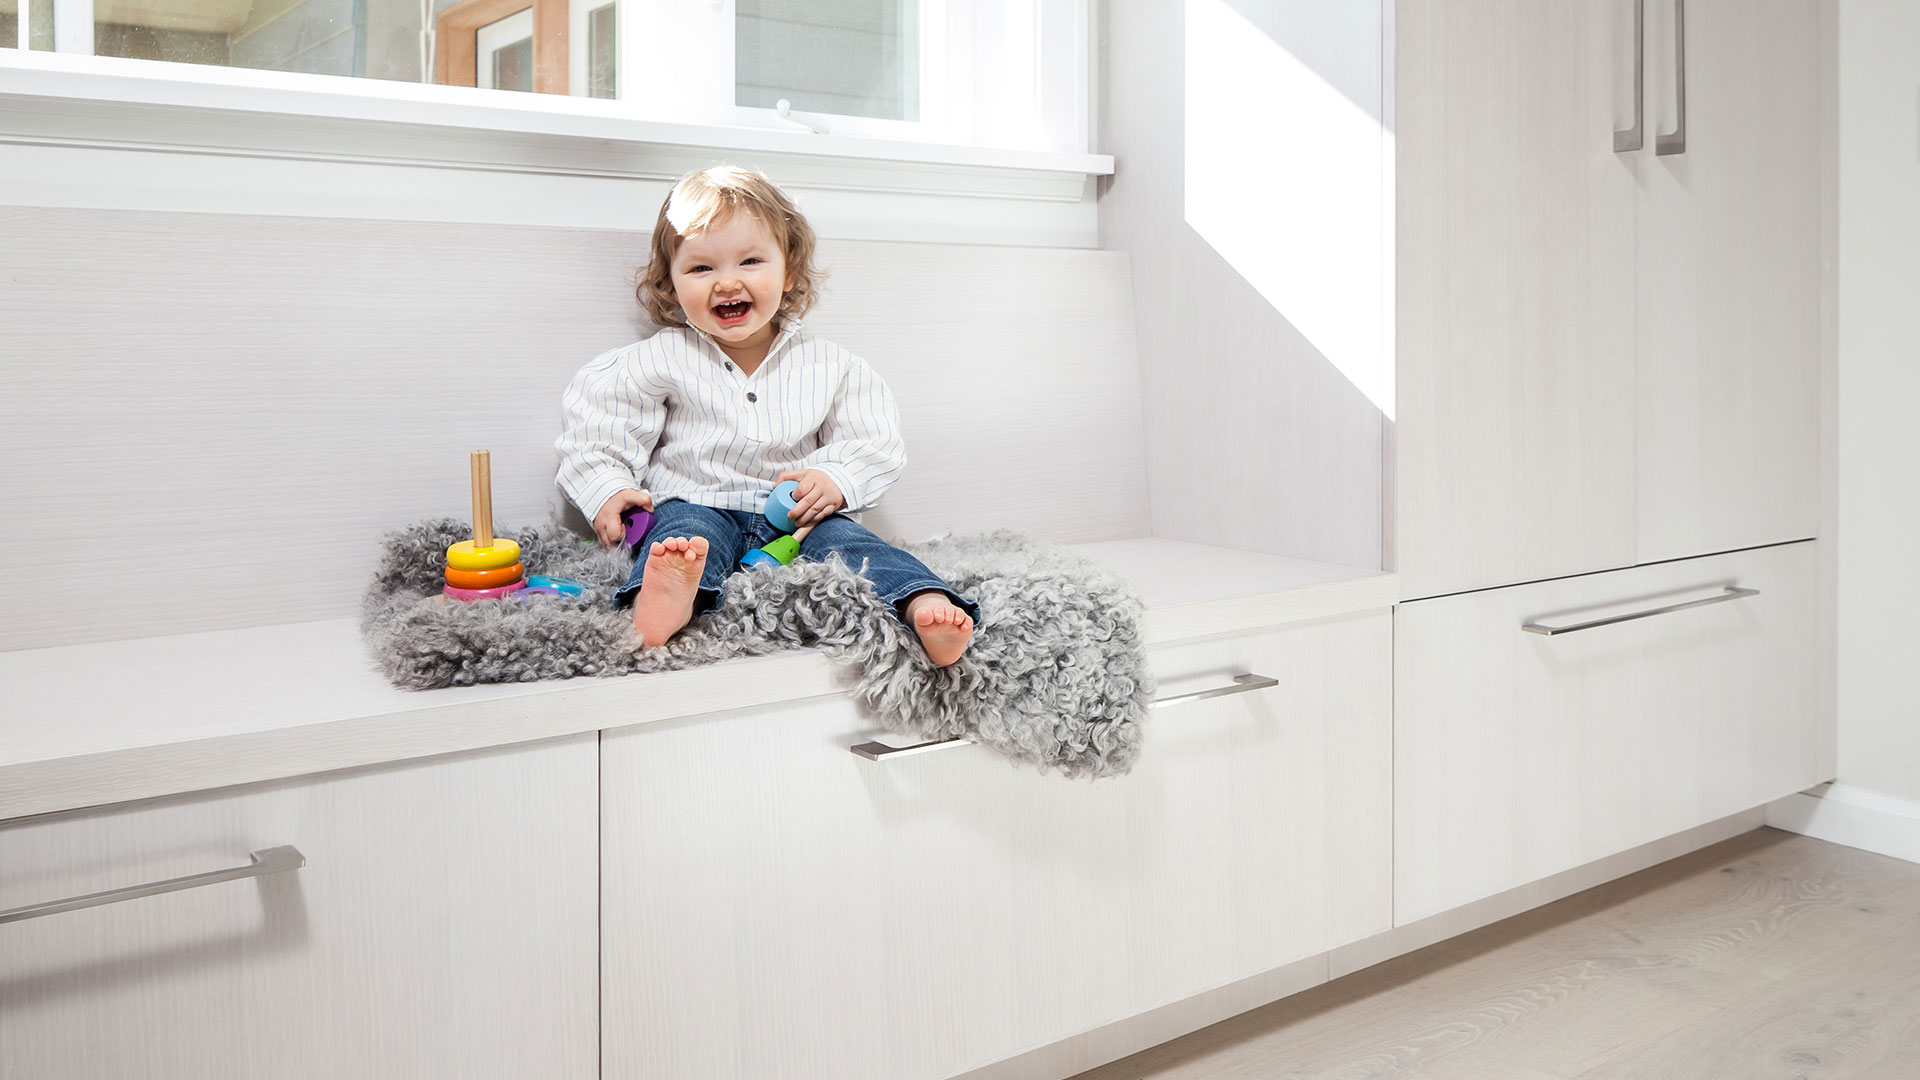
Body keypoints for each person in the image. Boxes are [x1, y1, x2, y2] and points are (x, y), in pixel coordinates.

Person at [554, 166, 978, 667]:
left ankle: (921, 601)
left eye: (750, 261)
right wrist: (606, 489)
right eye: (700, 269)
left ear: (789, 270)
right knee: (683, 541)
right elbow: (599, 430)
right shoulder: (657, 358)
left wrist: (836, 477)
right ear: (670, 284)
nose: (727, 282)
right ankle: (665, 599)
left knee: (853, 544)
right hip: (698, 499)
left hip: (799, 522)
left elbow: (873, 440)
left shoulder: (831, 365)